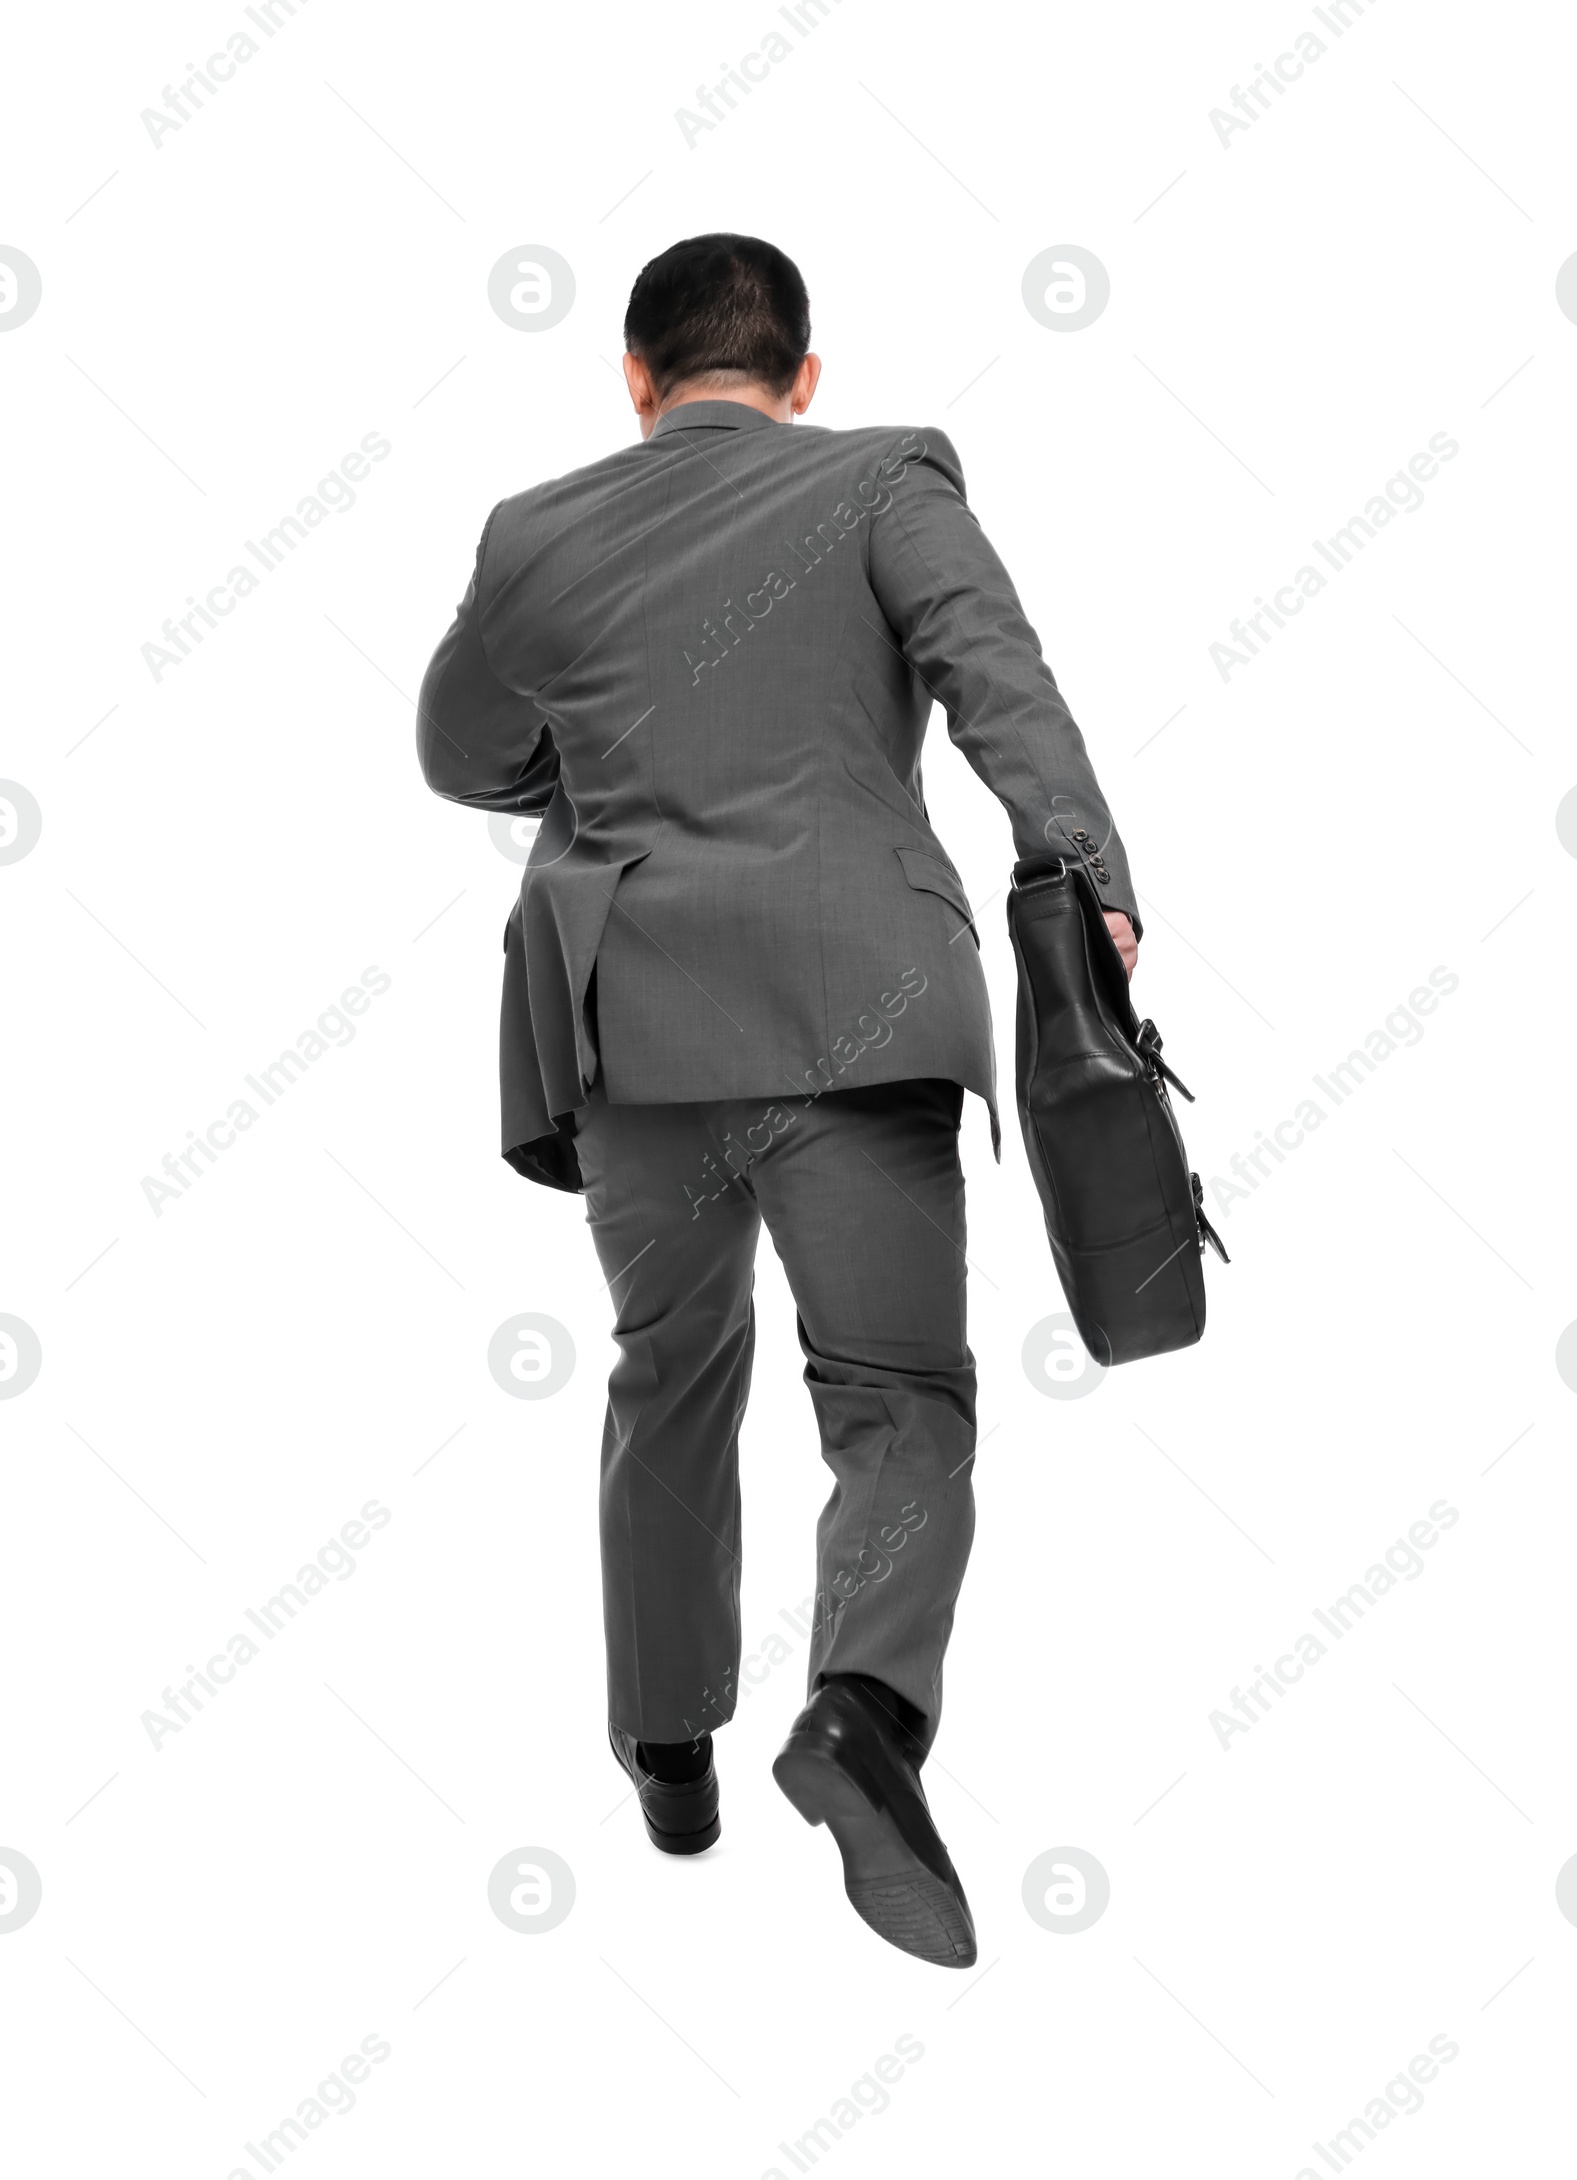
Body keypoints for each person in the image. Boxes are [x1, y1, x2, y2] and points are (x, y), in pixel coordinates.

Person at [416, 233, 1139, 1967]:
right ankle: (862, 1713)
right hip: (858, 1002)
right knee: (897, 1395)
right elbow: (998, 678)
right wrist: (1085, 868)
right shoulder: (885, 483)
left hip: (639, 1024)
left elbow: (457, 755)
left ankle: (671, 1763)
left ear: (635, 376)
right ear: (803, 374)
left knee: (670, 1374)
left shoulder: (537, 533)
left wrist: (587, 764)